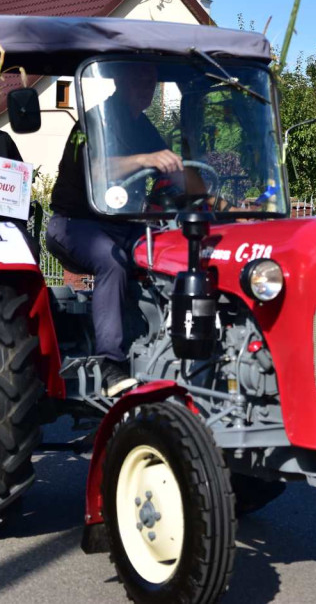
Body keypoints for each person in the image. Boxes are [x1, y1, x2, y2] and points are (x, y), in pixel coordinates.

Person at [46, 63, 185, 396]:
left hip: (122, 225)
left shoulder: (142, 125)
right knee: (111, 261)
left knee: (176, 252)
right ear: (120, 80)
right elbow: (98, 168)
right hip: (74, 223)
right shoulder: (96, 119)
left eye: (151, 79)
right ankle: (110, 363)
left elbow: (169, 167)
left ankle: (177, 348)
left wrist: (202, 191)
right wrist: (145, 160)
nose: (147, 87)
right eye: (139, 77)